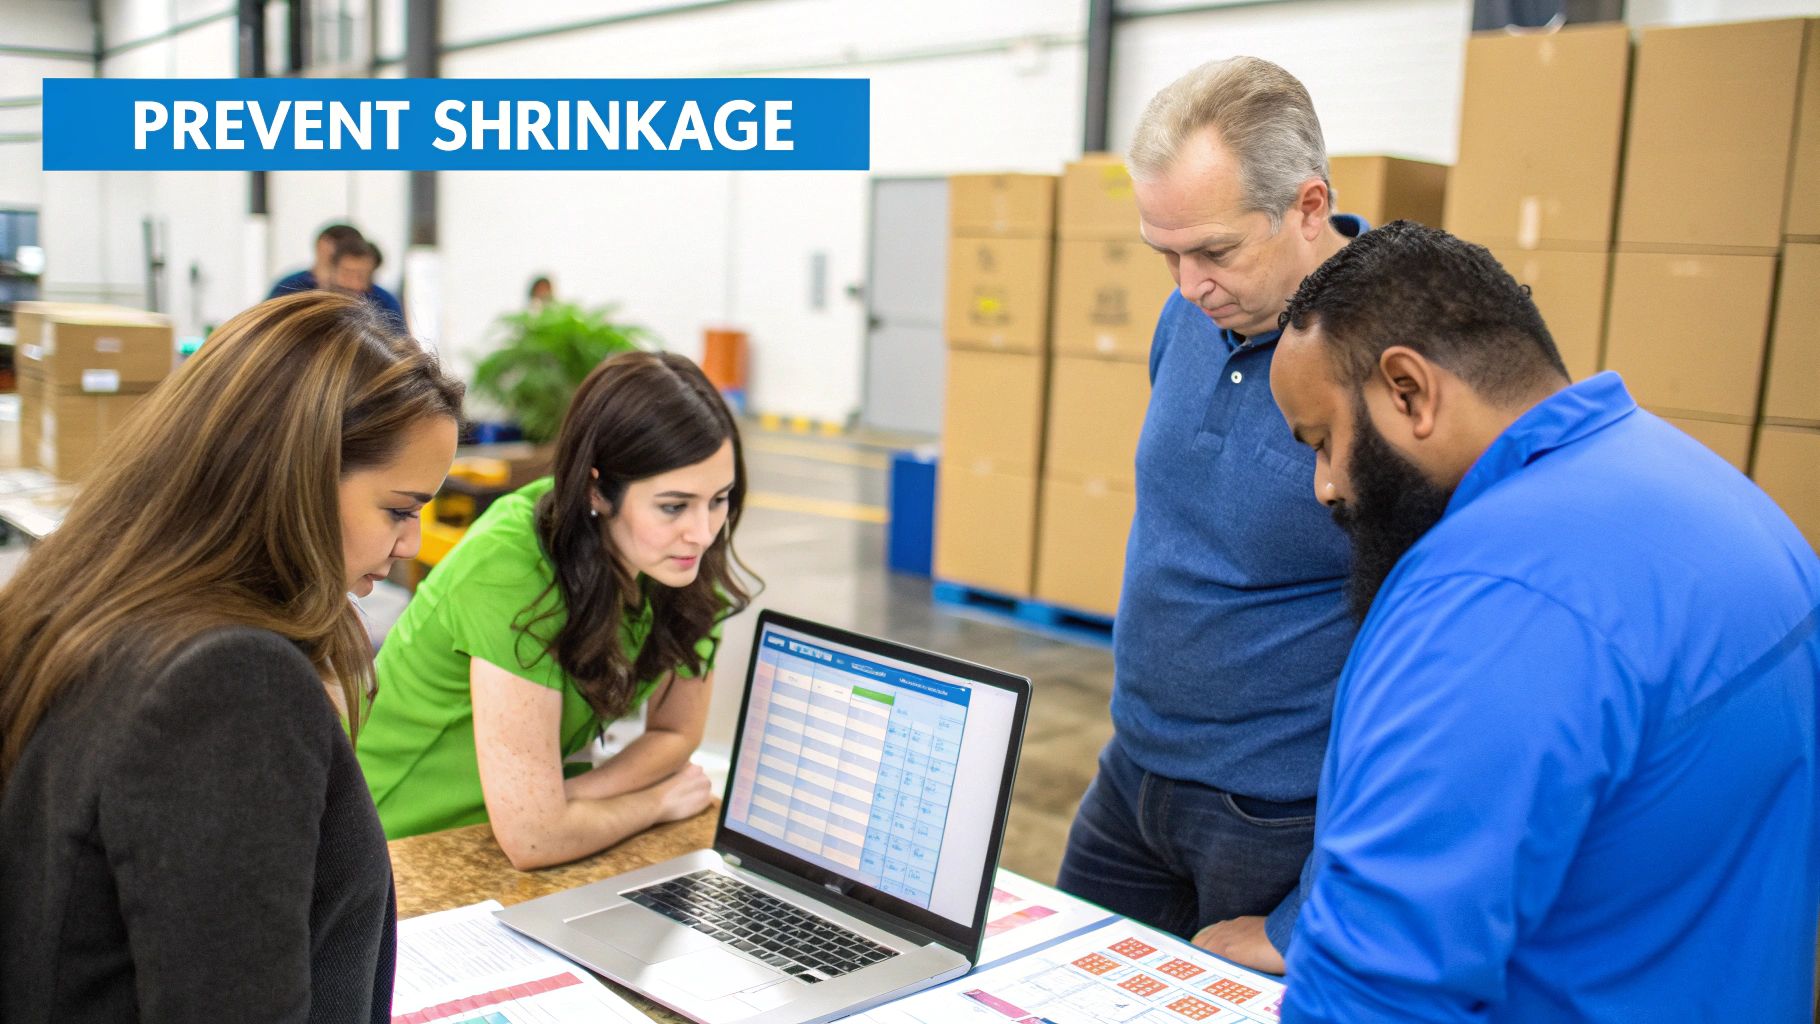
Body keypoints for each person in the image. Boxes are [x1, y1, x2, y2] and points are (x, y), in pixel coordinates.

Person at [1268, 221, 1820, 1021]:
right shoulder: (1731, 504)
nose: (1325, 487)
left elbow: (1376, 989)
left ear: (1408, 391)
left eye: (1323, 440)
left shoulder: (1485, 600)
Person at [0, 292, 463, 1021]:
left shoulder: (88, 605)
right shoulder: (229, 683)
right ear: (295, 474)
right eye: (399, 509)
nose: (409, 546)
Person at [1055, 55, 1363, 974]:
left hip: (1274, 815)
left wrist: (1309, 913)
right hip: (1133, 770)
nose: (1188, 286)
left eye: (1216, 252)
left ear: (1309, 207)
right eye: (1167, 254)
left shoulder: (1386, 361)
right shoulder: (1189, 313)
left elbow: (1448, 662)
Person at [357, 351, 757, 869]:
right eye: (673, 506)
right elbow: (535, 840)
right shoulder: (513, 563)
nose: (703, 532)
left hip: (524, 840)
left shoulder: (674, 559)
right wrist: (653, 802)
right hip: (400, 851)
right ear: (597, 488)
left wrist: (580, 795)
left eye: (719, 499)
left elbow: (676, 733)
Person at [271, 223, 406, 331]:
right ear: (332, 271)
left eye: (362, 276)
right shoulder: (293, 289)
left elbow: (400, 346)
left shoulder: (384, 302)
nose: (354, 284)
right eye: (347, 273)